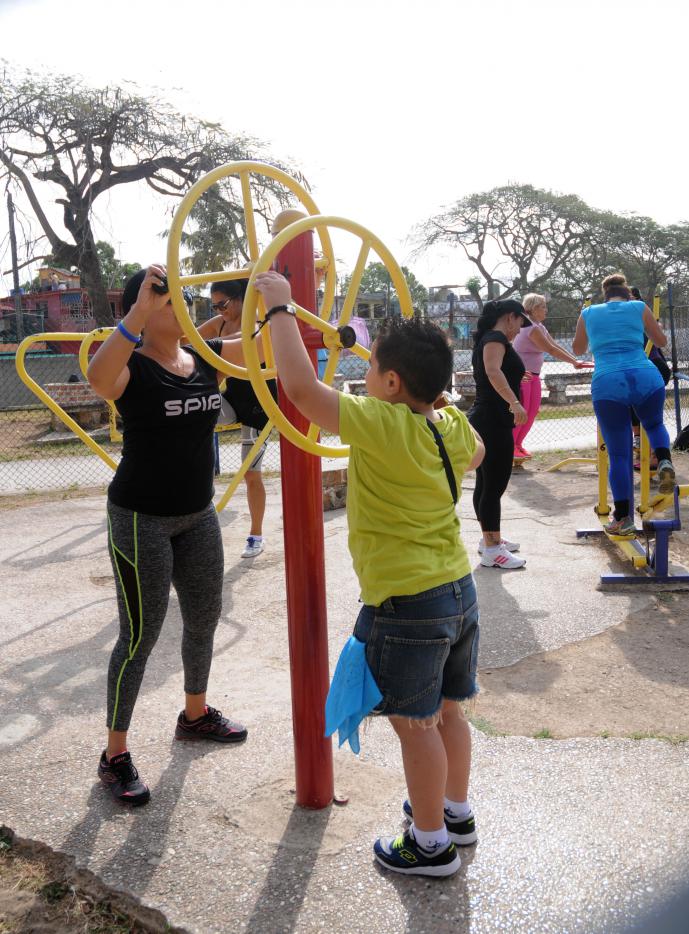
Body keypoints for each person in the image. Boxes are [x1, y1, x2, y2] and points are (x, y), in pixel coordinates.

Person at [254, 269, 484, 878]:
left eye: (370, 367)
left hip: (408, 602)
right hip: (459, 591)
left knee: (416, 725)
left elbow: (300, 390)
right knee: (451, 711)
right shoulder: (452, 426)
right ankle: (455, 813)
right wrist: (436, 413)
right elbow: (479, 453)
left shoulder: (380, 423)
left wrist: (281, 310)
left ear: (391, 382)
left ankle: (429, 845)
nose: (363, 375)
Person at [87, 264, 256, 806]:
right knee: (140, 635)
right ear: (144, 311)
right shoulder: (131, 366)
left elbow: (261, 348)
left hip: (197, 515)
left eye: (184, 300)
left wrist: (267, 300)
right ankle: (114, 755)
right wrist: (139, 309)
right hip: (141, 518)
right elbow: (97, 378)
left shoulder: (205, 358)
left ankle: (195, 714)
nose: (183, 310)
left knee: (204, 618)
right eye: (170, 302)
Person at [572, 273, 675, 536]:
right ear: (628, 294)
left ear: (604, 295)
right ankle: (664, 461)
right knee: (654, 424)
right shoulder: (639, 307)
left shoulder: (589, 313)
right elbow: (661, 342)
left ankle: (623, 518)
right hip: (645, 376)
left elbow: (579, 349)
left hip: (608, 382)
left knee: (618, 455)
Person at [198, 278, 277, 558]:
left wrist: (209, 346)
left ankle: (256, 535)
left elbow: (242, 340)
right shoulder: (220, 323)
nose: (219, 311)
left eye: (223, 304)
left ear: (241, 298)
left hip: (260, 405)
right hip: (233, 398)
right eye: (214, 306)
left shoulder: (257, 321)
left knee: (251, 473)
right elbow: (189, 337)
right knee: (196, 407)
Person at [469, 299, 531, 570]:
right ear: (509, 317)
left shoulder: (489, 338)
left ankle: (489, 539)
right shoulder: (495, 338)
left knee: (485, 484)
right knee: (494, 486)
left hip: (488, 418)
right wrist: (514, 402)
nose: (519, 329)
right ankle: (493, 549)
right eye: (520, 322)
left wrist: (516, 377)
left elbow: (496, 371)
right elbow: (492, 371)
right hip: (492, 420)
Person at [512, 293, 586, 458]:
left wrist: (575, 360)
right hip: (522, 376)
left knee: (532, 412)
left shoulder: (539, 326)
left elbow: (555, 345)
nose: (546, 310)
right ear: (533, 309)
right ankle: (511, 446)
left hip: (534, 376)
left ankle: (518, 444)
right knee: (522, 412)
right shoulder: (530, 327)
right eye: (543, 307)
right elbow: (551, 350)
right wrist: (574, 362)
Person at [628, 286, 672, 469]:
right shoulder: (623, 318)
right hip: (639, 369)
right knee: (633, 407)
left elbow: (660, 337)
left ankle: (655, 456)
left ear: (637, 299)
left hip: (654, 367)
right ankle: (640, 445)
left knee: (650, 416)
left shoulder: (642, 315)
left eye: (629, 297)